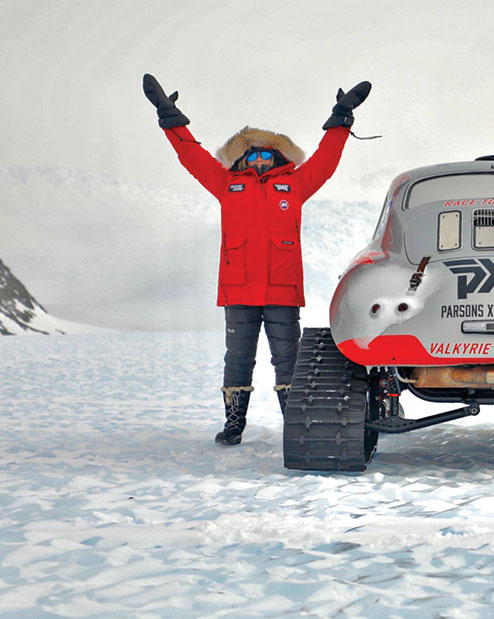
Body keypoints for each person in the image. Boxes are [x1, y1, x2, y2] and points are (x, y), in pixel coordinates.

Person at [142, 73, 372, 446]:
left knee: (289, 363)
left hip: (282, 289)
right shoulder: (226, 185)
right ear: (242, 158)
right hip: (238, 290)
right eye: (254, 154)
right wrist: (170, 117)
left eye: (268, 154)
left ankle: (293, 424)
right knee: (237, 361)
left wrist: (341, 119)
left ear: (281, 157)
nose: (262, 161)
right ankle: (234, 425)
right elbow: (191, 155)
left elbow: (327, 161)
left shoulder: (295, 184)